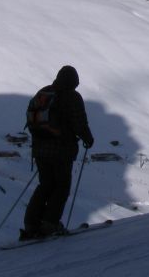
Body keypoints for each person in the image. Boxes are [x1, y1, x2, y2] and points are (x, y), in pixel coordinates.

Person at [21, 65, 94, 240]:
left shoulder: (44, 92)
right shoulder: (72, 97)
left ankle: (31, 224)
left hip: (40, 149)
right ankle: (50, 224)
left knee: (45, 185)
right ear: (74, 82)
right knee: (61, 187)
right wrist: (88, 139)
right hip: (61, 150)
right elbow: (79, 123)